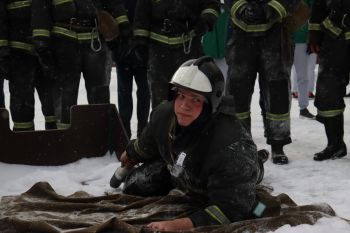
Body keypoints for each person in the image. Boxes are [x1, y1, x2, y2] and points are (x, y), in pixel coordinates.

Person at [110, 57, 267, 231]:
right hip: (183, 172)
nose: (184, 106)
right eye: (181, 95)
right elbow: (148, 143)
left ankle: (259, 160)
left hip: (227, 176)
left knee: (253, 204)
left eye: (196, 99)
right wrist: (131, 154)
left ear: (210, 104)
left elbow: (231, 211)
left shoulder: (232, 147)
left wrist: (177, 225)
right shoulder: (164, 114)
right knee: (134, 184)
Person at [31, 0, 129, 129]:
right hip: (63, 42)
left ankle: (100, 139)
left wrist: (124, 27)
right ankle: (64, 139)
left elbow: (114, 4)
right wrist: (42, 45)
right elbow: (41, 10)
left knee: (99, 94)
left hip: (95, 39)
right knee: (66, 95)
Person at [225, 0, 302, 165]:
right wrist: (241, 8)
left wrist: (274, 8)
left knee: (278, 92)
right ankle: (240, 142)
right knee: (237, 93)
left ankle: (278, 144)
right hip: (240, 38)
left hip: (275, 36)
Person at [132, 0, 220, 108]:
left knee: (189, 96)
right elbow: (142, 13)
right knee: (160, 102)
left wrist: (206, 21)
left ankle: (187, 124)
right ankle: (162, 124)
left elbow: (212, 5)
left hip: (189, 48)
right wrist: (140, 40)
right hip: (158, 52)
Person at [0, 0, 57, 131]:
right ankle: (23, 143)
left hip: (46, 52)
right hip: (18, 53)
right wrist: (3, 51)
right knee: (22, 106)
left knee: (52, 104)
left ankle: (55, 142)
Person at [308, 0, 349, 161]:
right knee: (328, 93)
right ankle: (335, 144)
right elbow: (318, 7)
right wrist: (314, 36)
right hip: (334, 40)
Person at [111, 0, 150, 138]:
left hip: (142, 50)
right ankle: (125, 132)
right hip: (123, 50)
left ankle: (142, 131)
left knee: (143, 91)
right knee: (126, 92)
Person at [291, 0, 316, 119]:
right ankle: (281, 109)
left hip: (301, 42)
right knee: (281, 77)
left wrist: (310, 39)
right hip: (284, 41)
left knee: (303, 77)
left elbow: (313, 18)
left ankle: (303, 108)